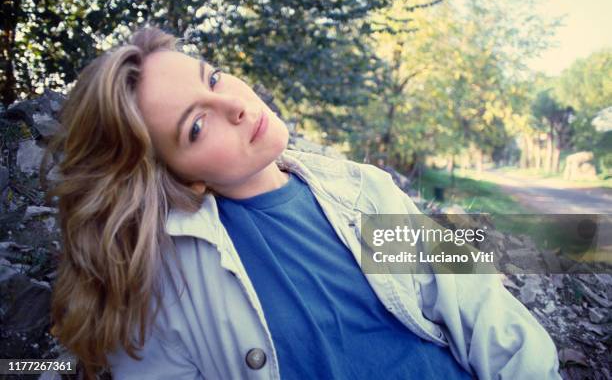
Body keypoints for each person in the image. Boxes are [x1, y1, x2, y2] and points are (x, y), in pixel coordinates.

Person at [46, 26, 561, 380]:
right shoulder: (162, 282)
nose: (237, 106)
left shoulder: (362, 188)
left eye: (214, 77)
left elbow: (479, 307)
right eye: (197, 126)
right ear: (174, 175)